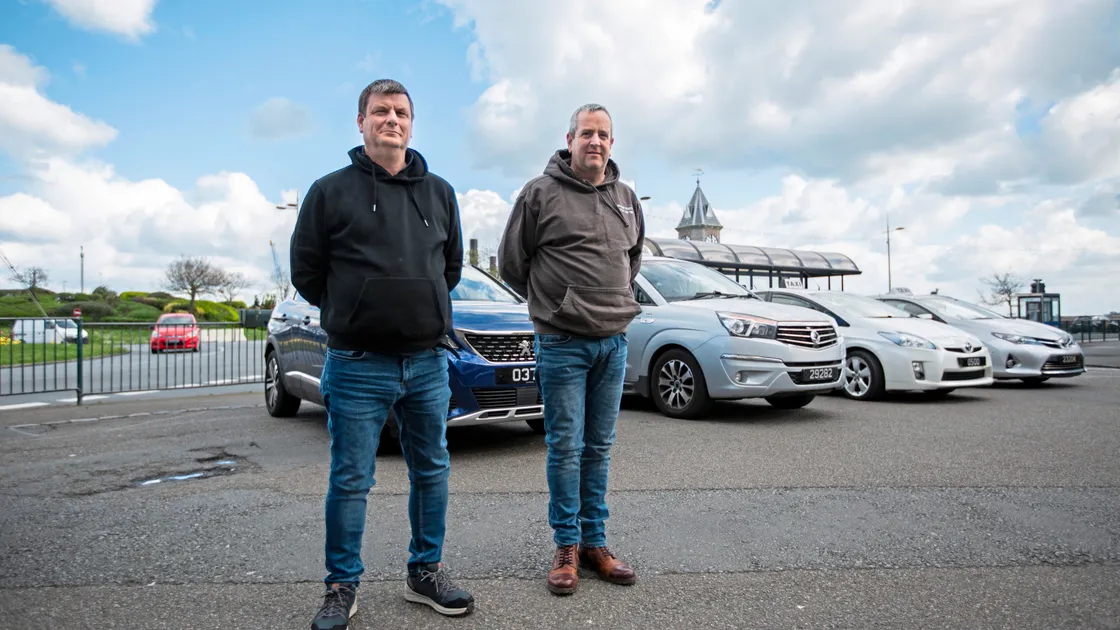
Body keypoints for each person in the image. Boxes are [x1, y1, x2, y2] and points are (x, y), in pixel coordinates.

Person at [290, 79, 473, 629]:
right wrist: (352, 310)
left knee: (432, 470)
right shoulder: (329, 191)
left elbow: (450, 268)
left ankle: (426, 572)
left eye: (401, 112)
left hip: (427, 361)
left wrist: (420, 310)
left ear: (411, 124)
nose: (391, 119)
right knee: (351, 479)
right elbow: (307, 271)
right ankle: (341, 585)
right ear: (361, 122)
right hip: (357, 363)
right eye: (380, 111)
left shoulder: (440, 192)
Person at [497, 103, 645, 595]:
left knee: (598, 448)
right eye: (586, 133)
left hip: (613, 341)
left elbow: (633, 259)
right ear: (570, 140)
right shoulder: (540, 193)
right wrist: (556, 303)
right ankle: (565, 545)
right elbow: (512, 263)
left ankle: (594, 543)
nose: (594, 141)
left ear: (611, 142)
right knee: (566, 448)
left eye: (603, 134)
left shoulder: (626, 198)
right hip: (561, 341)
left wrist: (609, 301)